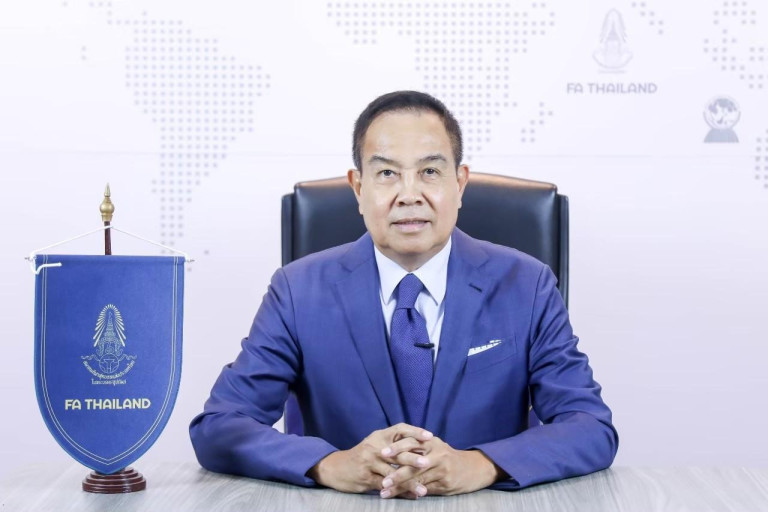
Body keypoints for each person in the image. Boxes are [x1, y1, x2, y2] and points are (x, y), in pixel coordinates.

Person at [190, 90, 618, 498]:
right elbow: (220, 426)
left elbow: (590, 427)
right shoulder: (297, 290)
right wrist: (330, 464)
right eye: (387, 174)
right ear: (358, 188)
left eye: (430, 171)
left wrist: (481, 465)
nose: (409, 195)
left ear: (460, 183)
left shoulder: (527, 285)